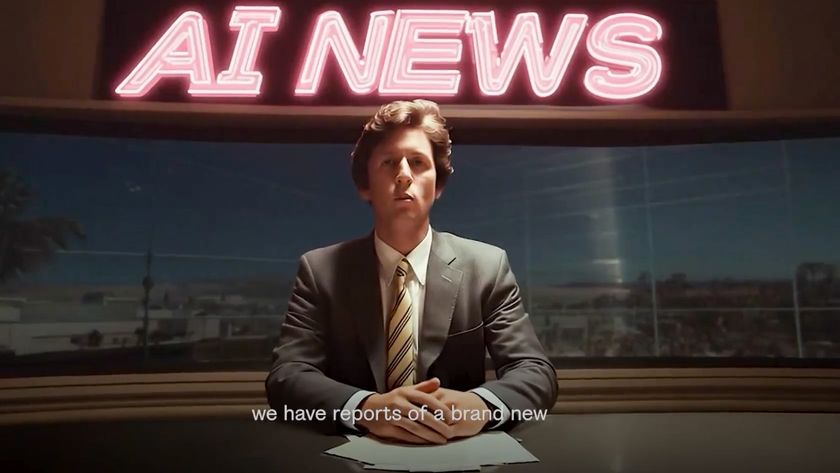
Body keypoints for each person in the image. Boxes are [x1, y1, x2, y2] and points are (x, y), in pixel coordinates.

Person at [265, 99, 557, 444]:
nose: (404, 174)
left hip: (459, 452)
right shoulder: (320, 270)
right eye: (389, 163)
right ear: (364, 186)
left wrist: (479, 406)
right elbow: (286, 377)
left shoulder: (486, 266)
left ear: (439, 185)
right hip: (353, 457)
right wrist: (366, 409)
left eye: (418, 163)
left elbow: (536, 373)